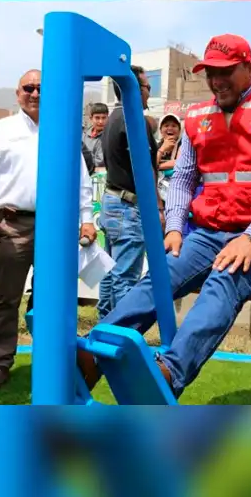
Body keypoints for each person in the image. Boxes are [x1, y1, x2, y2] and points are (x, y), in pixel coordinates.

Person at [78, 34, 251, 398]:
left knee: (225, 280)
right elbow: (184, 177)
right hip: (208, 231)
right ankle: (91, 354)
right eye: (211, 73)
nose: (217, 80)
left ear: (250, 67)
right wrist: (173, 228)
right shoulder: (197, 117)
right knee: (160, 276)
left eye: (227, 71)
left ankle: (166, 374)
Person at [0, 69, 97, 390]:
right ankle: (0, 363)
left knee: (53, 297)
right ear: (17, 92)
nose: (36, 93)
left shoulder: (64, 130)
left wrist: (87, 217)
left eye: (42, 88)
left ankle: (52, 361)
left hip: (57, 226)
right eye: (29, 87)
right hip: (13, 224)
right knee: (5, 297)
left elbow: (80, 179)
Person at [97, 65, 162, 319]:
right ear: (134, 88)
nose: (149, 93)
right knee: (125, 277)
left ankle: (103, 325)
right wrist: (157, 207)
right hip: (127, 206)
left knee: (110, 271)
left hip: (112, 201)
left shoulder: (113, 117)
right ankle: (121, 332)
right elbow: (145, 169)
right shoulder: (133, 119)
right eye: (147, 87)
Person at [156, 113, 182, 200]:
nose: (170, 128)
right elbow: (147, 166)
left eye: (174, 126)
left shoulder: (184, 146)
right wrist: (162, 148)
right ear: (160, 130)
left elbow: (180, 163)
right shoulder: (155, 146)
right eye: (166, 125)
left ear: (179, 130)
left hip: (178, 194)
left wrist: (158, 166)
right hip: (157, 196)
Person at [83, 103, 109, 172]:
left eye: (104, 118)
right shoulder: (84, 135)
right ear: (91, 118)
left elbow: (100, 161)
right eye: (97, 118)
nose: (101, 122)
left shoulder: (108, 136)